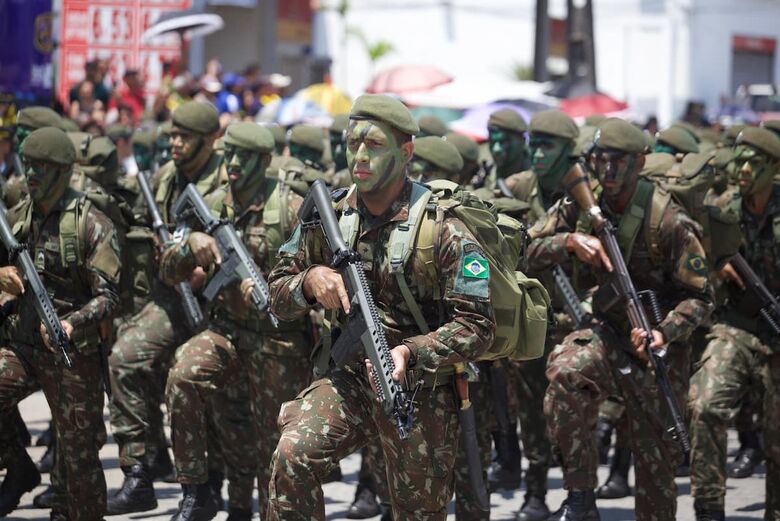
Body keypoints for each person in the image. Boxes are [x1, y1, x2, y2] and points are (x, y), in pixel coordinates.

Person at [266, 94, 495, 520]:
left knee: (417, 511)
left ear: (405, 152)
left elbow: (478, 326)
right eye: (353, 143)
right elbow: (276, 295)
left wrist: (410, 351)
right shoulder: (330, 215)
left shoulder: (441, 227)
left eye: (373, 144)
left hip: (421, 389)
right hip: (351, 377)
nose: (359, 156)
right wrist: (310, 281)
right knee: (292, 455)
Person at [531, 118, 714, 521]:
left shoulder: (668, 220)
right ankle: (581, 496)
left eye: (619, 161)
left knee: (656, 481)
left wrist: (664, 332)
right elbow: (525, 248)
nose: (608, 169)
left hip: (658, 351)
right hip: (608, 334)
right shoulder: (581, 203)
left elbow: (702, 297)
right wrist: (569, 241)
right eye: (600, 159)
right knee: (565, 372)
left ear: (640, 161)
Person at [158, 122, 312, 521]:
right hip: (227, 332)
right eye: (230, 154)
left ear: (265, 161)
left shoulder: (290, 208)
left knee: (273, 449)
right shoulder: (210, 203)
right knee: (183, 374)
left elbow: (318, 281)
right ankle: (196, 489)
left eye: (245, 156)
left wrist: (278, 293)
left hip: (279, 342)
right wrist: (190, 245)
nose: (235, 164)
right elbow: (167, 270)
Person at [107, 101, 226, 515]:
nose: (175, 143)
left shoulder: (226, 180)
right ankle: (139, 471)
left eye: (185, 137)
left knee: (198, 380)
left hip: (217, 302)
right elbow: (139, 220)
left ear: (210, 140)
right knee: (124, 358)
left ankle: (210, 483)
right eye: (173, 135)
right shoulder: (165, 177)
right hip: (171, 296)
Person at [0, 127, 121, 520]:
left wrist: (71, 323)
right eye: (28, 165)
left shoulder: (91, 223)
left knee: (79, 459)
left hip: (73, 354)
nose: (32, 174)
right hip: (24, 348)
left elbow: (109, 297)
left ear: (64, 171)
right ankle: (19, 466)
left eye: (42, 167)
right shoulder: (17, 217)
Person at [688, 126, 780, 521]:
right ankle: (709, 510)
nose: (742, 169)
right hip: (737, 325)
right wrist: (715, 265)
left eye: (753, 163)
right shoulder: (720, 210)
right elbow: (689, 257)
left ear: (774, 167)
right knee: (705, 406)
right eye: (739, 161)